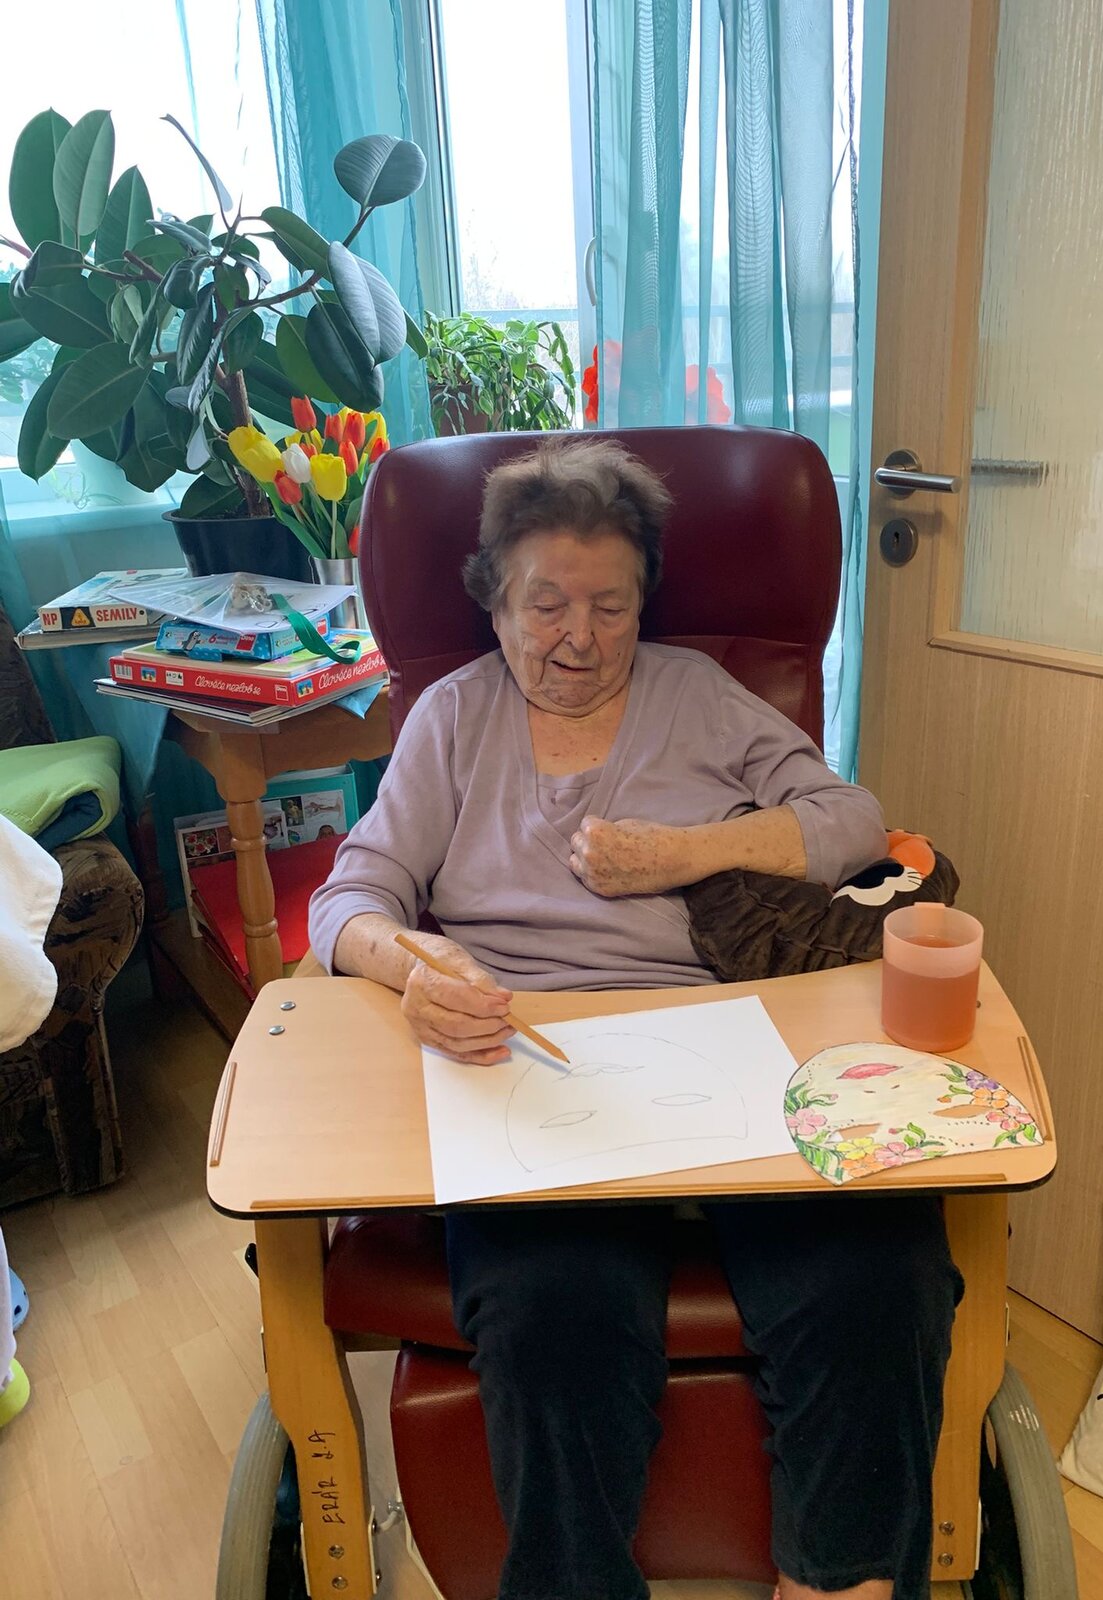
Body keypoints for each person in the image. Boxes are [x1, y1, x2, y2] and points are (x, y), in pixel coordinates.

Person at [309, 439, 963, 1600]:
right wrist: (414, 963)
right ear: (494, 605)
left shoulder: (697, 694)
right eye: (545, 604)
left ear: (643, 601)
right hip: (527, 1064)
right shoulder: (452, 720)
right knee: (553, 1313)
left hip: (723, 1053)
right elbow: (348, 898)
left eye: (610, 605)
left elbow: (850, 819)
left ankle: (840, 1581)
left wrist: (681, 852)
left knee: (878, 1271)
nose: (579, 636)